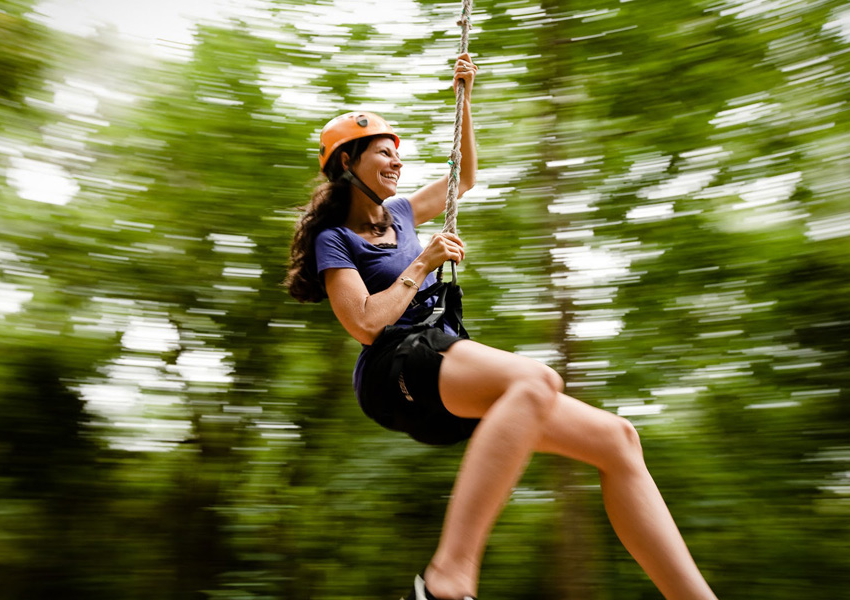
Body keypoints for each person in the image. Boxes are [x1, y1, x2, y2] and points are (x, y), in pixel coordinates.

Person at [285, 54, 718, 600]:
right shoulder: (336, 241)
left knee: (618, 439)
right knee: (535, 381)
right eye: (383, 153)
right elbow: (367, 325)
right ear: (347, 162)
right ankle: (448, 579)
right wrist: (422, 264)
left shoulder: (398, 213)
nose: (396, 162)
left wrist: (465, 95)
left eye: (398, 154)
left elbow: (464, 177)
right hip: (393, 367)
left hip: (438, 354)